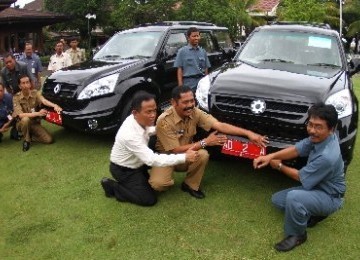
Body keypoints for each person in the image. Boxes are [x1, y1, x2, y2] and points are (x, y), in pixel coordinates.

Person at [253, 103, 345, 252]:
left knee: (294, 198)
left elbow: (301, 178)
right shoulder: (320, 138)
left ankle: (297, 235)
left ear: (331, 129)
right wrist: (270, 156)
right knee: (277, 200)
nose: (312, 130)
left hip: (331, 195)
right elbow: (296, 150)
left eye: (318, 127)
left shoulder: (328, 156)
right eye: (310, 124)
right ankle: (313, 213)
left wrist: (279, 166)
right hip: (316, 187)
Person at [149, 86, 268, 199]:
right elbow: (174, 150)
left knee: (202, 155)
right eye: (185, 102)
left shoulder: (195, 112)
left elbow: (220, 125)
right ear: (174, 102)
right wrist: (205, 142)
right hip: (166, 157)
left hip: (186, 155)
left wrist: (248, 133)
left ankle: (190, 185)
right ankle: (155, 176)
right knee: (159, 185)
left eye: (192, 101)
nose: (190, 105)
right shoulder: (163, 120)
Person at [100, 91, 199, 207]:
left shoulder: (138, 119)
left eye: (154, 110)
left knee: (151, 183)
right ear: (135, 113)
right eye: (148, 112)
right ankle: (113, 187)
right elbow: (151, 160)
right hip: (125, 170)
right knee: (149, 199)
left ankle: (142, 179)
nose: (153, 115)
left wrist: (168, 130)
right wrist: (184, 157)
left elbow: (148, 130)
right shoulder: (129, 135)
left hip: (138, 161)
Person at [13, 75, 63, 151]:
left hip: (34, 123)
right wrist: (38, 113)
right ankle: (27, 140)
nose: (26, 85)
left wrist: (54, 105)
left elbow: (44, 101)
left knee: (49, 140)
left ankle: (30, 136)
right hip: (21, 123)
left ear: (30, 83)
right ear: (20, 86)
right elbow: (20, 115)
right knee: (25, 119)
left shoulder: (35, 93)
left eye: (27, 82)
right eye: (23, 83)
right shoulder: (16, 97)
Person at [174, 27, 211, 91]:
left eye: (197, 36)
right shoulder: (182, 51)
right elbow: (179, 69)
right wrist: (180, 86)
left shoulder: (203, 51)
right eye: (194, 36)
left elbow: (206, 68)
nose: (196, 38)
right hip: (188, 83)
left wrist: (206, 82)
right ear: (188, 38)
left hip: (201, 83)